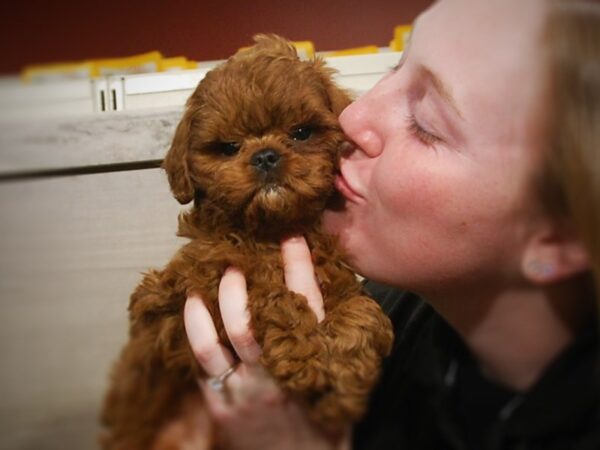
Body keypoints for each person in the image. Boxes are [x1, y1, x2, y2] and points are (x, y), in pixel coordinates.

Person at [178, 0, 600, 448]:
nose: (350, 117)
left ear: (558, 238)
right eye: (395, 69)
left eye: (425, 124)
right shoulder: (370, 318)